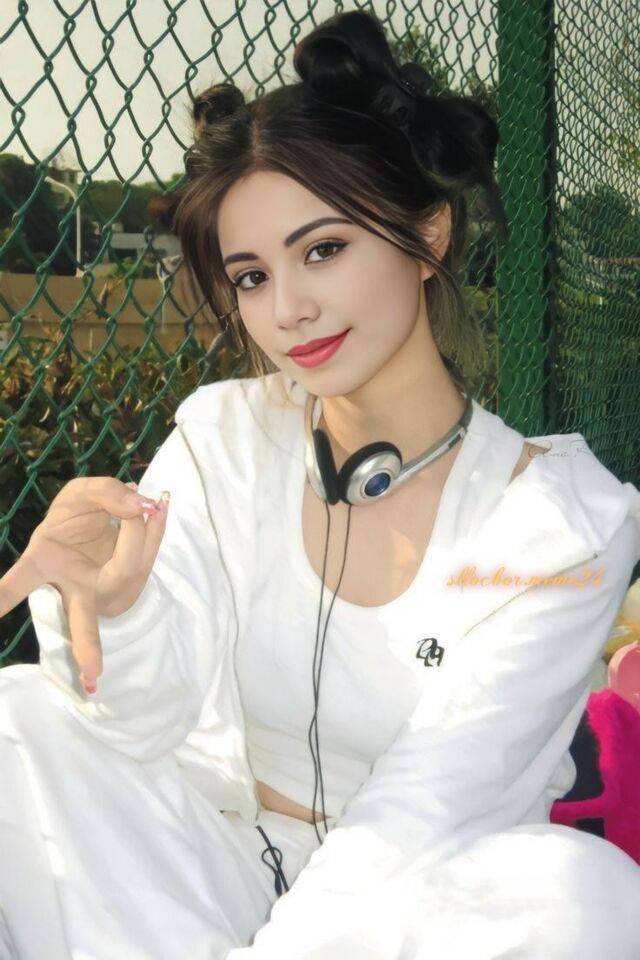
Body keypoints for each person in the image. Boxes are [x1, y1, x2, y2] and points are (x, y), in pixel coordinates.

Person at [1, 10, 639, 959]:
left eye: (324, 250)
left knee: (583, 896)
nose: (288, 309)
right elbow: (137, 725)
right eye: (251, 276)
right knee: (20, 719)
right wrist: (120, 610)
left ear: (428, 234)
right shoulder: (223, 439)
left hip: (414, 907)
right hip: (211, 866)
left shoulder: (561, 522)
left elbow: (425, 810)